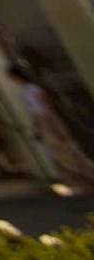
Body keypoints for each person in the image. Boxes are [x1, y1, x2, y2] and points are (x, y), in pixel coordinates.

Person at [11, 63, 94, 192]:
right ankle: (84, 181)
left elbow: (39, 111)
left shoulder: (28, 91)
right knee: (68, 151)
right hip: (51, 120)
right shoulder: (35, 89)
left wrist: (39, 128)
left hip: (46, 122)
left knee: (61, 154)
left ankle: (81, 182)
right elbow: (45, 106)